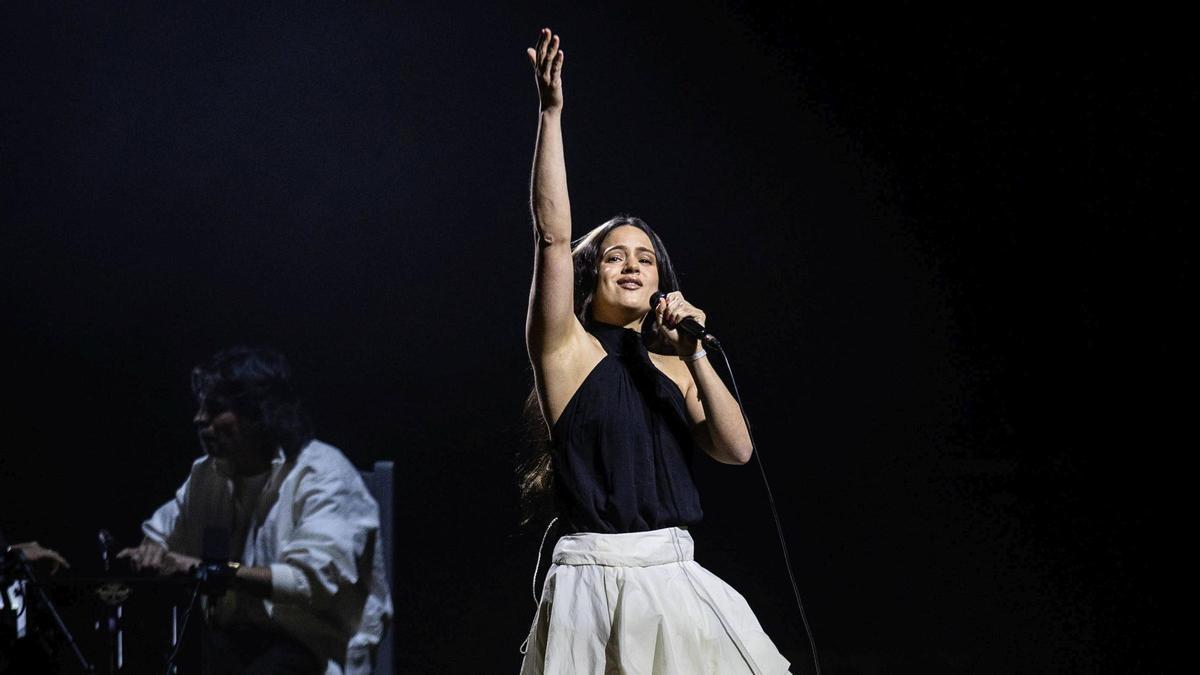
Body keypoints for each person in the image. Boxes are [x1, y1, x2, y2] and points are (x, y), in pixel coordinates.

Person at [519, 28, 791, 675]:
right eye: (615, 255)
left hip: (673, 576)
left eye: (645, 257)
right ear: (592, 276)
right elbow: (553, 237)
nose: (632, 265)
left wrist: (694, 353)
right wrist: (551, 113)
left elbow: (737, 450)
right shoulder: (566, 349)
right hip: (593, 583)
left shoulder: (675, 362)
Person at [117, 346, 392, 675]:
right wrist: (153, 550)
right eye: (201, 407)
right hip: (228, 650)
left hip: (310, 651)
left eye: (215, 408)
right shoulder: (207, 475)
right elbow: (163, 532)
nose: (199, 419)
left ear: (260, 413)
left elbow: (307, 581)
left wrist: (207, 570)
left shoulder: (323, 475)